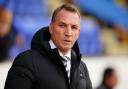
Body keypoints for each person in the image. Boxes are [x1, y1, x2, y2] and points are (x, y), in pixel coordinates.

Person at [4, 4, 92, 89]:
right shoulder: (26, 61)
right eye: (62, 25)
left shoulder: (81, 67)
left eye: (73, 27)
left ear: (78, 33)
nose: (68, 33)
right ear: (51, 28)